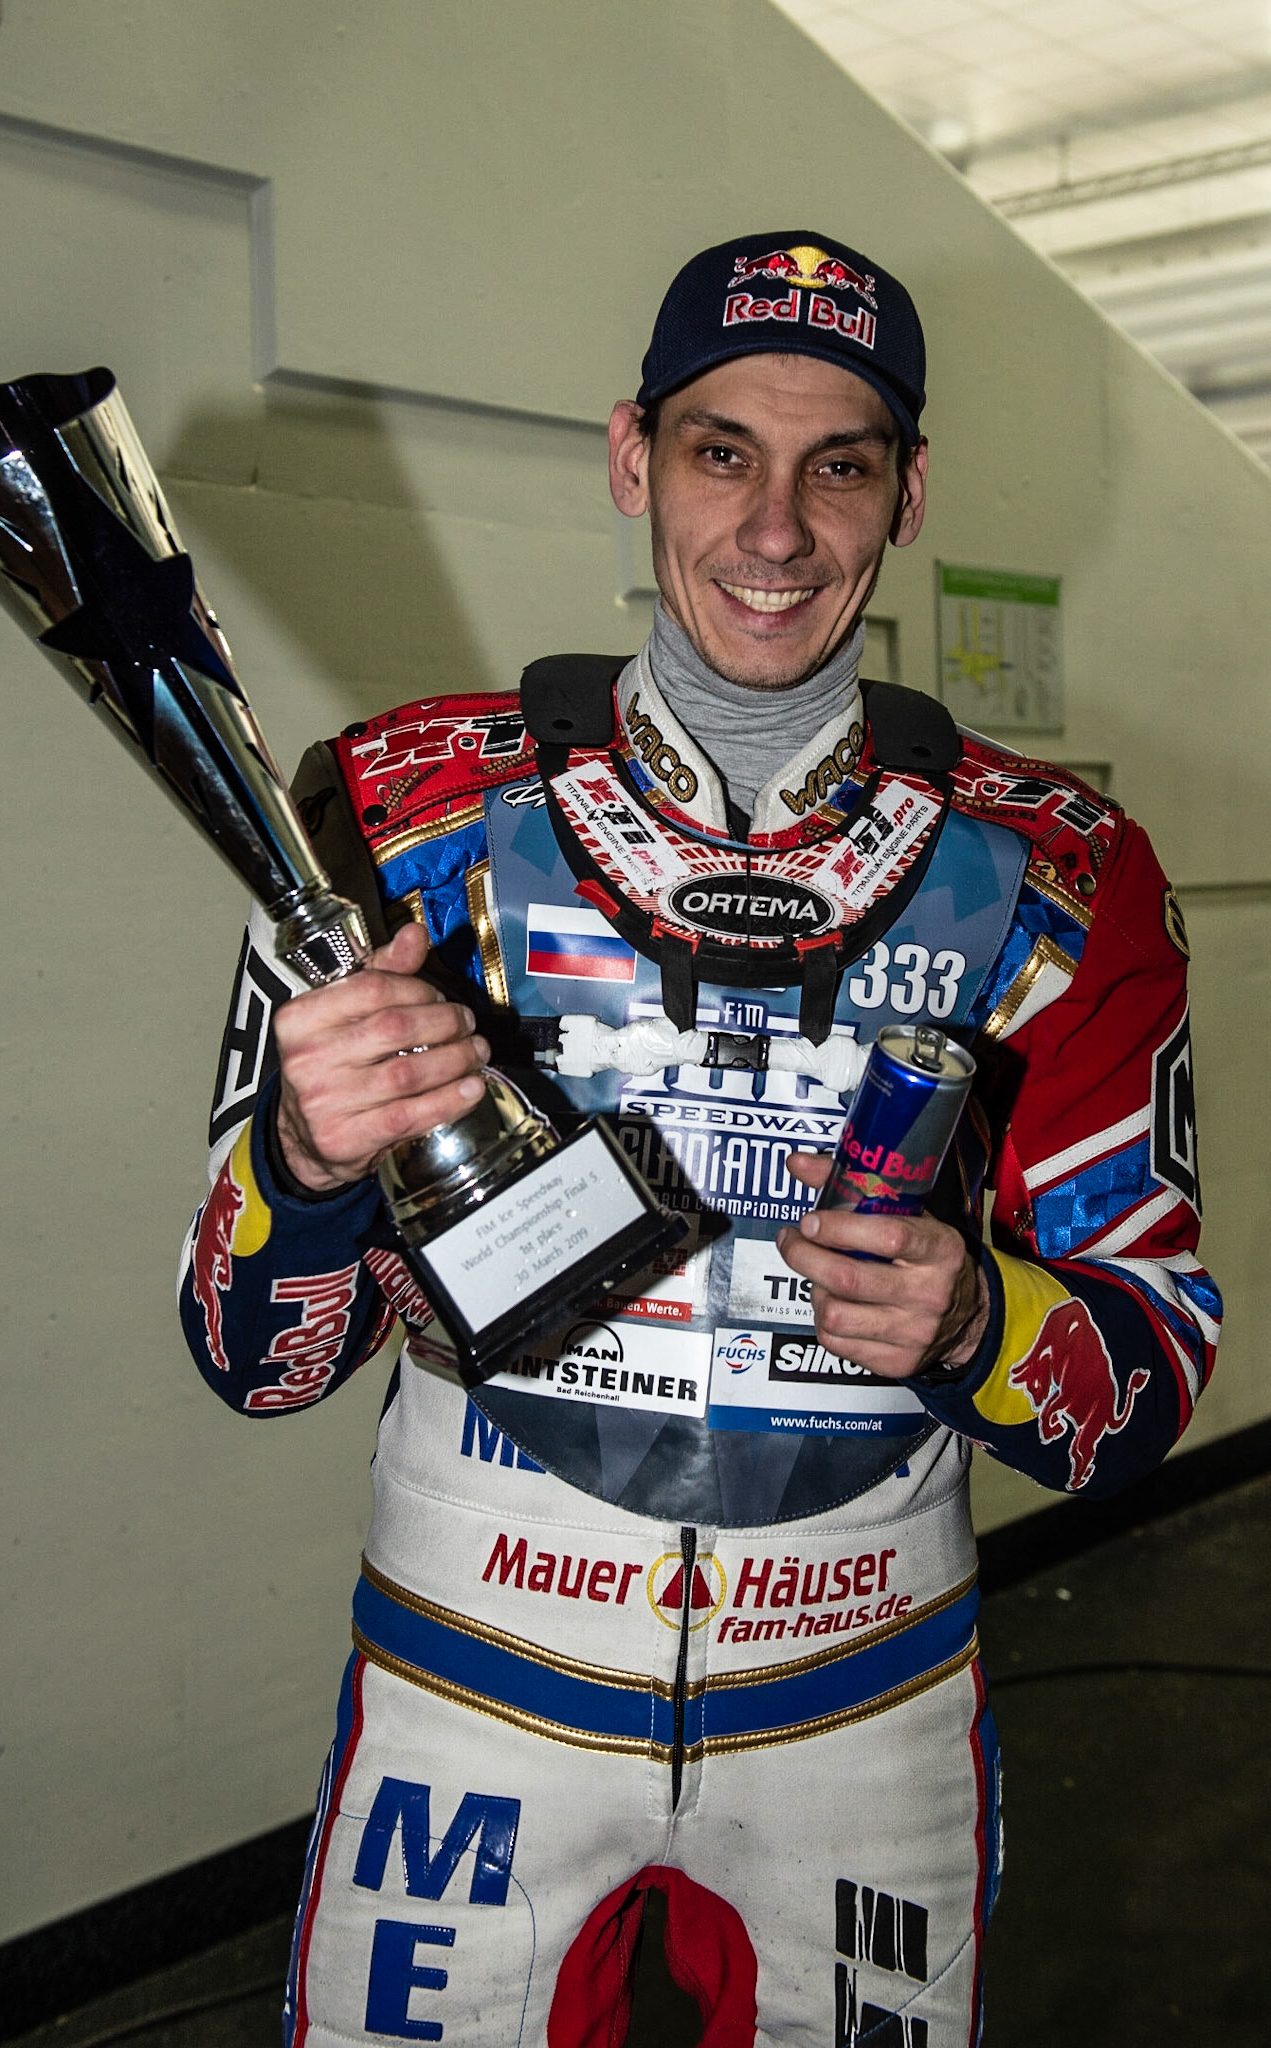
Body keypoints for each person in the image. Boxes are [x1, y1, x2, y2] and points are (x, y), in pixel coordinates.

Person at [180, 232, 1220, 2048]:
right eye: (719, 451)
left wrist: (982, 1322)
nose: (772, 531)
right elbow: (253, 1358)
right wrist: (311, 1167)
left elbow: (1147, 1376)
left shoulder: (1062, 874)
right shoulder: (390, 810)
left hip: (863, 1703)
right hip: (470, 1689)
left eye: (840, 466)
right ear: (629, 456)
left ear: (909, 495)